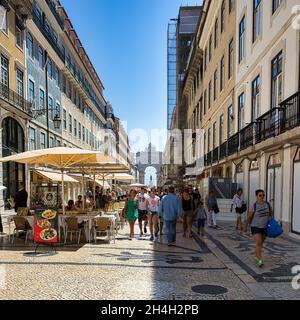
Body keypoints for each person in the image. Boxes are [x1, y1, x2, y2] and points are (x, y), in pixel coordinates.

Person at [244, 190, 273, 268]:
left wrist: (270, 219)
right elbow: (249, 216)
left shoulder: (267, 204)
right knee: (259, 243)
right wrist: (245, 226)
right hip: (255, 226)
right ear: (256, 196)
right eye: (260, 195)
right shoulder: (254, 205)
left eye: (263, 195)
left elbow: (270, 213)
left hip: (265, 227)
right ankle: (259, 261)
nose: (262, 197)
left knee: (260, 244)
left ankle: (257, 257)